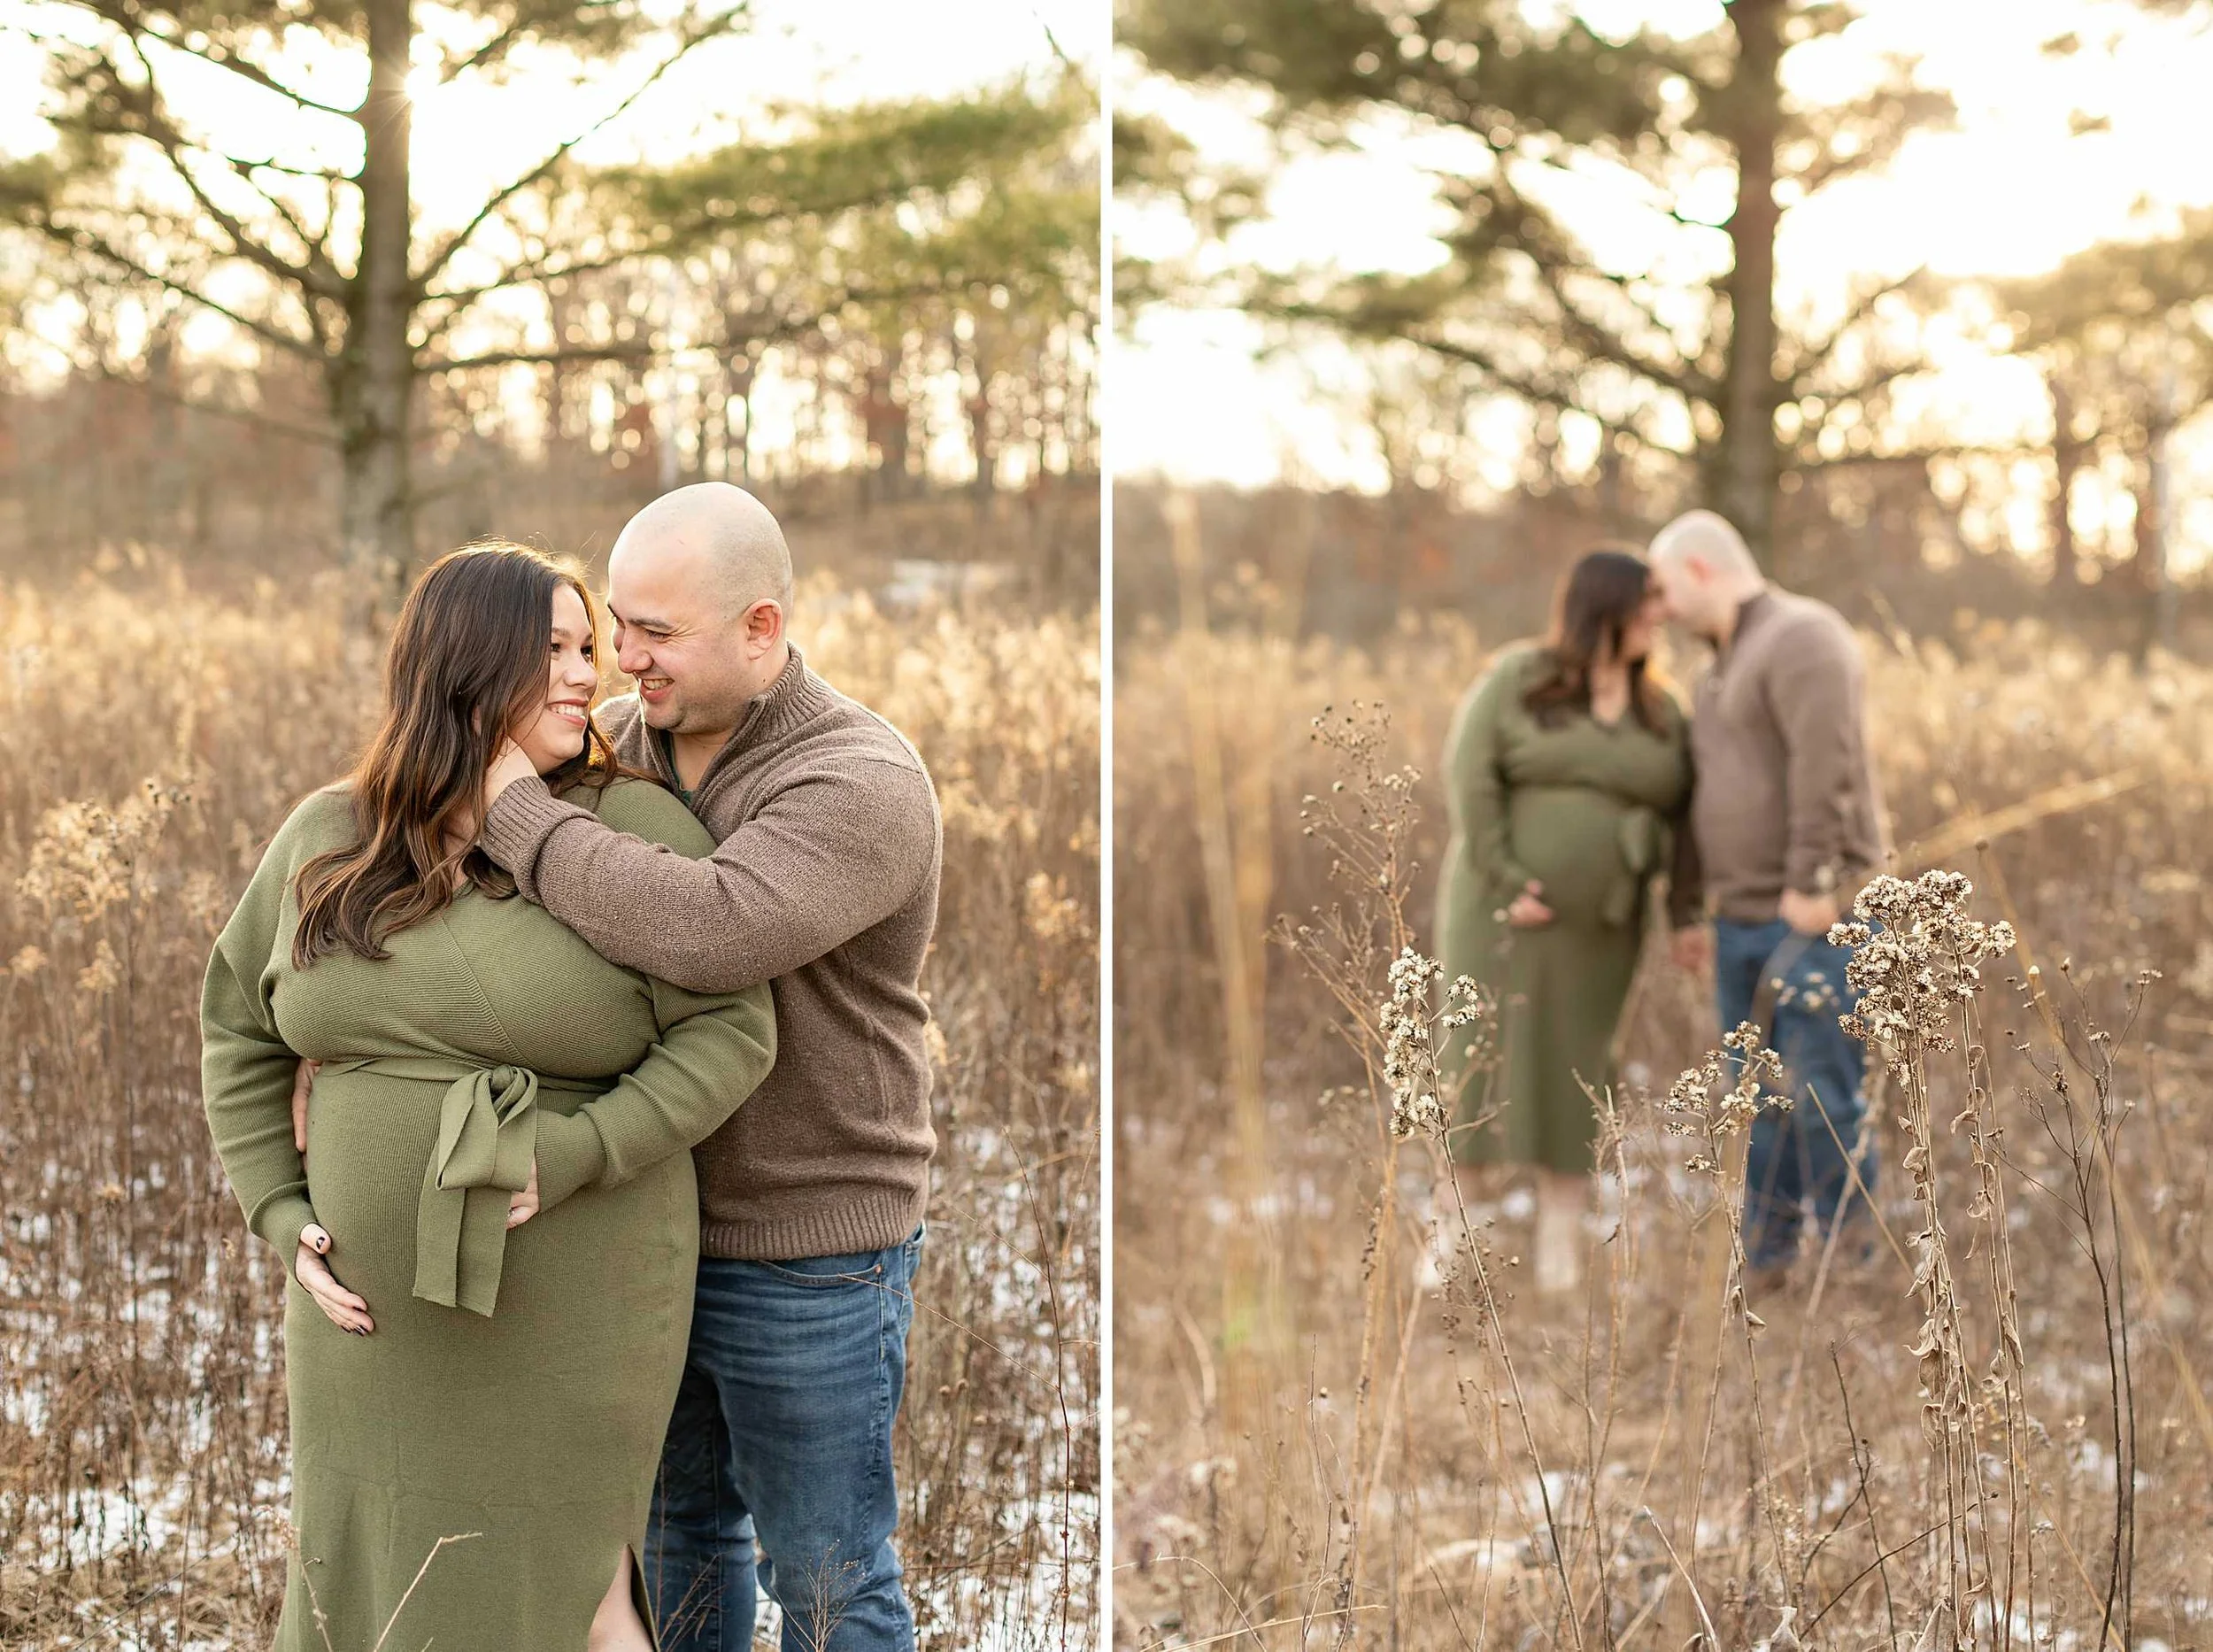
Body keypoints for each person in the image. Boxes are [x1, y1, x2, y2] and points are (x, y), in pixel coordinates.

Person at [202, 544, 777, 1651]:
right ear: (466, 664)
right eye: (552, 649)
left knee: (578, 1588)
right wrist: (278, 1211)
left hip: (574, 1286)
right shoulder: (330, 835)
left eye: (587, 647)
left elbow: (729, 1034)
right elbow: (237, 1026)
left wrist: (572, 1152)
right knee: (367, 1571)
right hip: (365, 1310)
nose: (587, 674)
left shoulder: (630, 829)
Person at [471, 482, 944, 1652]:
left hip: (809, 1246)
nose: (623, 658)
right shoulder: (609, 744)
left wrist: (521, 818)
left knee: (828, 1576)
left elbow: (711, 928)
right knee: (674, 1541)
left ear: (760, 628)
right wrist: (330, 1046)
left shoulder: (860, 780)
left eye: (656, 632)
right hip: (639, 1222)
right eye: (616, 625)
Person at [1435, 548, 1694, 1293]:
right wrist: (1507, 878)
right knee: (1477, 1059)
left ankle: (1557, 1251)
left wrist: (1684, 910)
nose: (1661, 614)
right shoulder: (1519, 679)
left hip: (1600, 931)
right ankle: (1453, 1237)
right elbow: (1470, 777)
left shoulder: (1662, 710)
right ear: (1605, 605)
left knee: (1579, 1068)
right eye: (1648, 600)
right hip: (1499, 914)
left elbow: (1687, 819)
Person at [1647, 509, 1887, 1280]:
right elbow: (1702, 797)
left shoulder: (1802, 636)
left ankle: (1854, 1264)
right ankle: (1771, 1263)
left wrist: (1813, 881)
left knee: (1825, 1102)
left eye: (1664, 589)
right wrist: (1691, 909)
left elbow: (1829, 762)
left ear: (1701, 568)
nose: (1660, 610)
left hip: (1813, 917)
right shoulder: (1717, 668)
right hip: (1741, 920)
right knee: (1756, 1100)